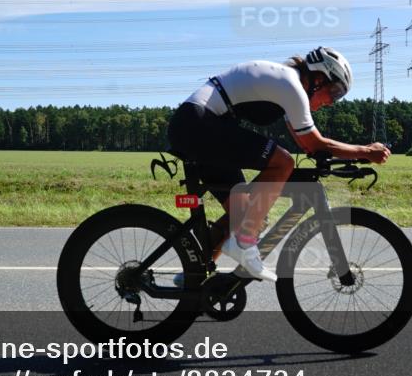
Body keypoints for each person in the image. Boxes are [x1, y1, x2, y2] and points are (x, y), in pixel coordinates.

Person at [166, 46, 390, 283]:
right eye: (334, 92)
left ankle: (193, 278)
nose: (332, 102)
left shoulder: (286, 86)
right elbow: (314, 144)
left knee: (244, 215)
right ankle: (244, 242)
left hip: (199, 125)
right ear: (318, 77)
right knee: (283, 162)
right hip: (200, 124)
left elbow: (307, 145)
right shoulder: (291, 86)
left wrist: (351, 155)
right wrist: (365, 152)